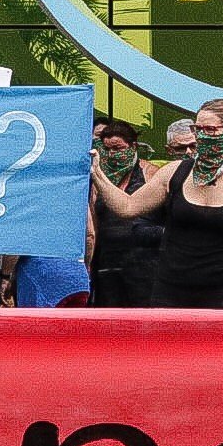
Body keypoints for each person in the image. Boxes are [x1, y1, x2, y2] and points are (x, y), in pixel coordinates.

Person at [94, 99, 223, 310]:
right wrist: (96, 173)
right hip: (170, 293)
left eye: (210, 130)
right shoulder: (174, 172)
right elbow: (128, 207)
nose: (202, 136)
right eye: (198, 129)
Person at [89, 120, 163, 307]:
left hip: (146, 264)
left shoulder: (150, 173)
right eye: (108, 150)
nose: (113, 155)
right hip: (107, 263)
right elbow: (93, 224)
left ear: (133, 146)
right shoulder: (99, 177)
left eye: (118, 148)